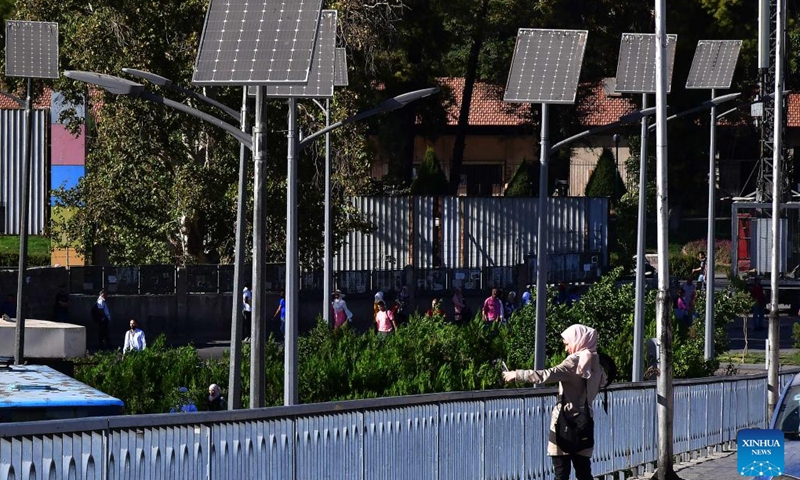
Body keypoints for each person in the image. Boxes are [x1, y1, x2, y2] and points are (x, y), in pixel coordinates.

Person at [503, 324, 605, 480]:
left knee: (561, 473)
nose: (566, 349)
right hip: (585, 423)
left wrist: (516, 374)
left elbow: (545, 375)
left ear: (579, 339)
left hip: (564, 423)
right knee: (584, 473)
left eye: (567, 344)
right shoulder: (597, 363)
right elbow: (602, 384)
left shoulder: (574, 362)